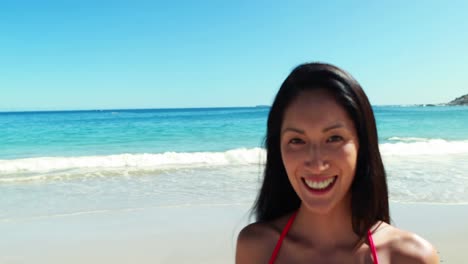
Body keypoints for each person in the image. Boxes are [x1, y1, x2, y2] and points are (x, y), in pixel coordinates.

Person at [235, 63, 438, 263]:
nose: (316, 164)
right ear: (278, 149)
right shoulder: (256, 248)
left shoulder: (409, 257)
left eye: (334, 138)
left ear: (361, 145)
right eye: (297, 140)